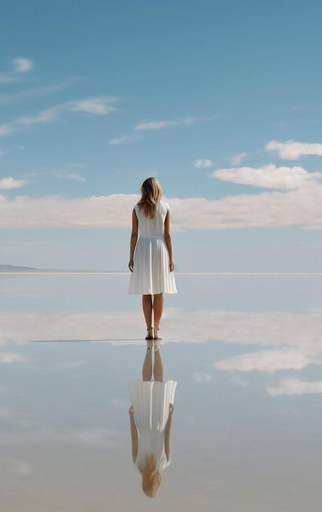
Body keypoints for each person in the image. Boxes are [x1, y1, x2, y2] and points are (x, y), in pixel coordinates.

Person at [128, 177, 177, 341]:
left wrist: (131, 256)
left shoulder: (136, 208)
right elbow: (167, 235)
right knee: (159, 292)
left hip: (142, 248)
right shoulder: (165, 208)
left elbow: (134, 234)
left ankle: (149, 329)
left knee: (146, 290)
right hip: (160, 248)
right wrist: (171, 258)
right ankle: (156, 329)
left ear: (143, 190)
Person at [128, 338, 176, 498]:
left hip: (159, 422)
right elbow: (134, 439)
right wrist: (131, 417)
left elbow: (167, 436)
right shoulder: (137, 463)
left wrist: (170, 416)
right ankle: (149, 348)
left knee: (159, 383)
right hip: (143, 423)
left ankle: (157, 349)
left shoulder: (165, 462)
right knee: (146, 383)